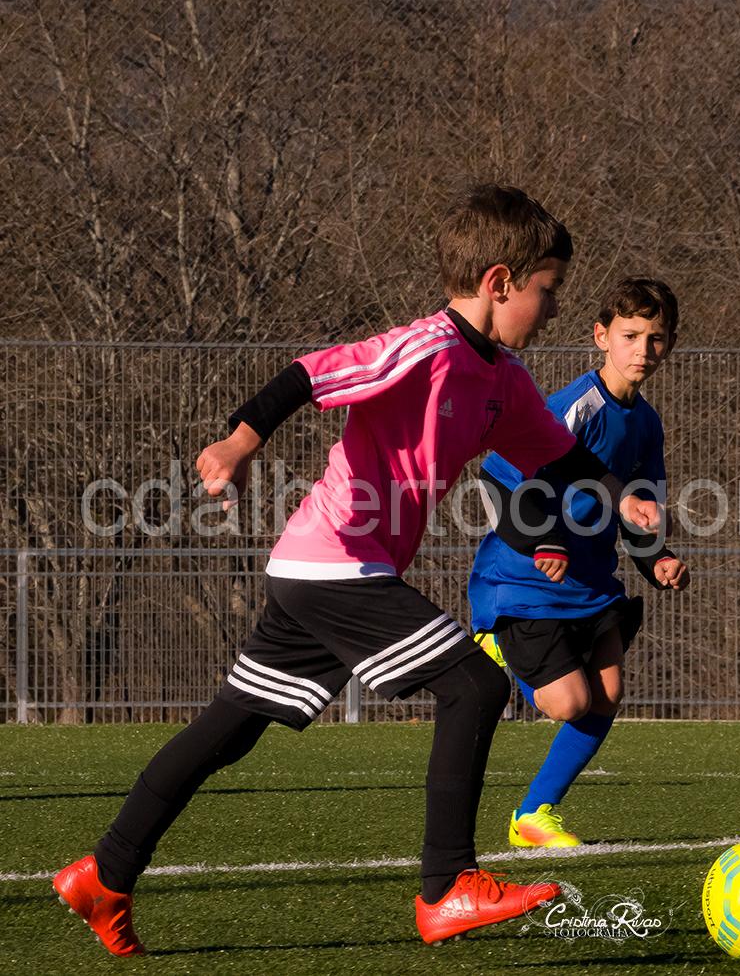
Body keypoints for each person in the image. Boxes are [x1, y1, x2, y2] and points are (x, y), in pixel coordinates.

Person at [52, 185, 662, 955]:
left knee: (229, 728)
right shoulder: (425, 347)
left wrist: (621, 495)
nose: (553, 308)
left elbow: (563, 454)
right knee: (475, 684)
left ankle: (105, 873)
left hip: (322, 570)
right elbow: (309, 374)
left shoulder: (503, 380)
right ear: (500, 282)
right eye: (548, 289)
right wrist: (239, 442)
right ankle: (447, 885)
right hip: (334, 560)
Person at [469, 277, 690, 848]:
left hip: (590, 581)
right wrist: (542, 540)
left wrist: (657, 559)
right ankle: (496, 640)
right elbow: (497, 478)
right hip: (524, 578)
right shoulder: (576, 406)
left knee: (607, 695)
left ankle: (533, 815)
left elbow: (637, 512)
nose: (643, 349)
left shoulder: (647, 423)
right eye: (630, 335)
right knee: (568, 702)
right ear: (601, 336)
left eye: (656, 338)